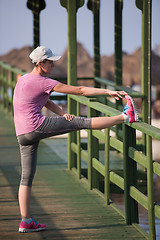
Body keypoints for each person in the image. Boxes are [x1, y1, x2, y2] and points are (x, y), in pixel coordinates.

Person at [13, 46, 138, 233]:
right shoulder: (43, 81)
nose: (54, 64)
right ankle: (125, 117)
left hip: (22, 134)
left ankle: (26, 221)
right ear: (40, 64)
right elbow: (79, 90)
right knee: (81, 122)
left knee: (26, 178)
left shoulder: (23, 80)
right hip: (36, 126)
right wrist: (106, 92)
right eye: (50, 61)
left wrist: (62, 113)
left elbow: (44, 100)